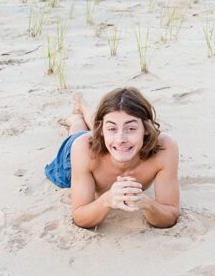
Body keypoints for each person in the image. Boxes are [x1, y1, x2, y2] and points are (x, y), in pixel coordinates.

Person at [45, 87, 180, 229]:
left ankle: (83, 106)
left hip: (105, 142)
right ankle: (76, 117)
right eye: (111, 129)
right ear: (101, 130)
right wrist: (106, 200)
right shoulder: (82, 149)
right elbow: (80, 217)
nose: (121, 138)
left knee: (113, 128)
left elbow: (170, 215)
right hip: (81, 147)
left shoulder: (165, 147)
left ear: (146, 128)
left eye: (131, 128)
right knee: (78, 131)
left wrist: (147, 204)